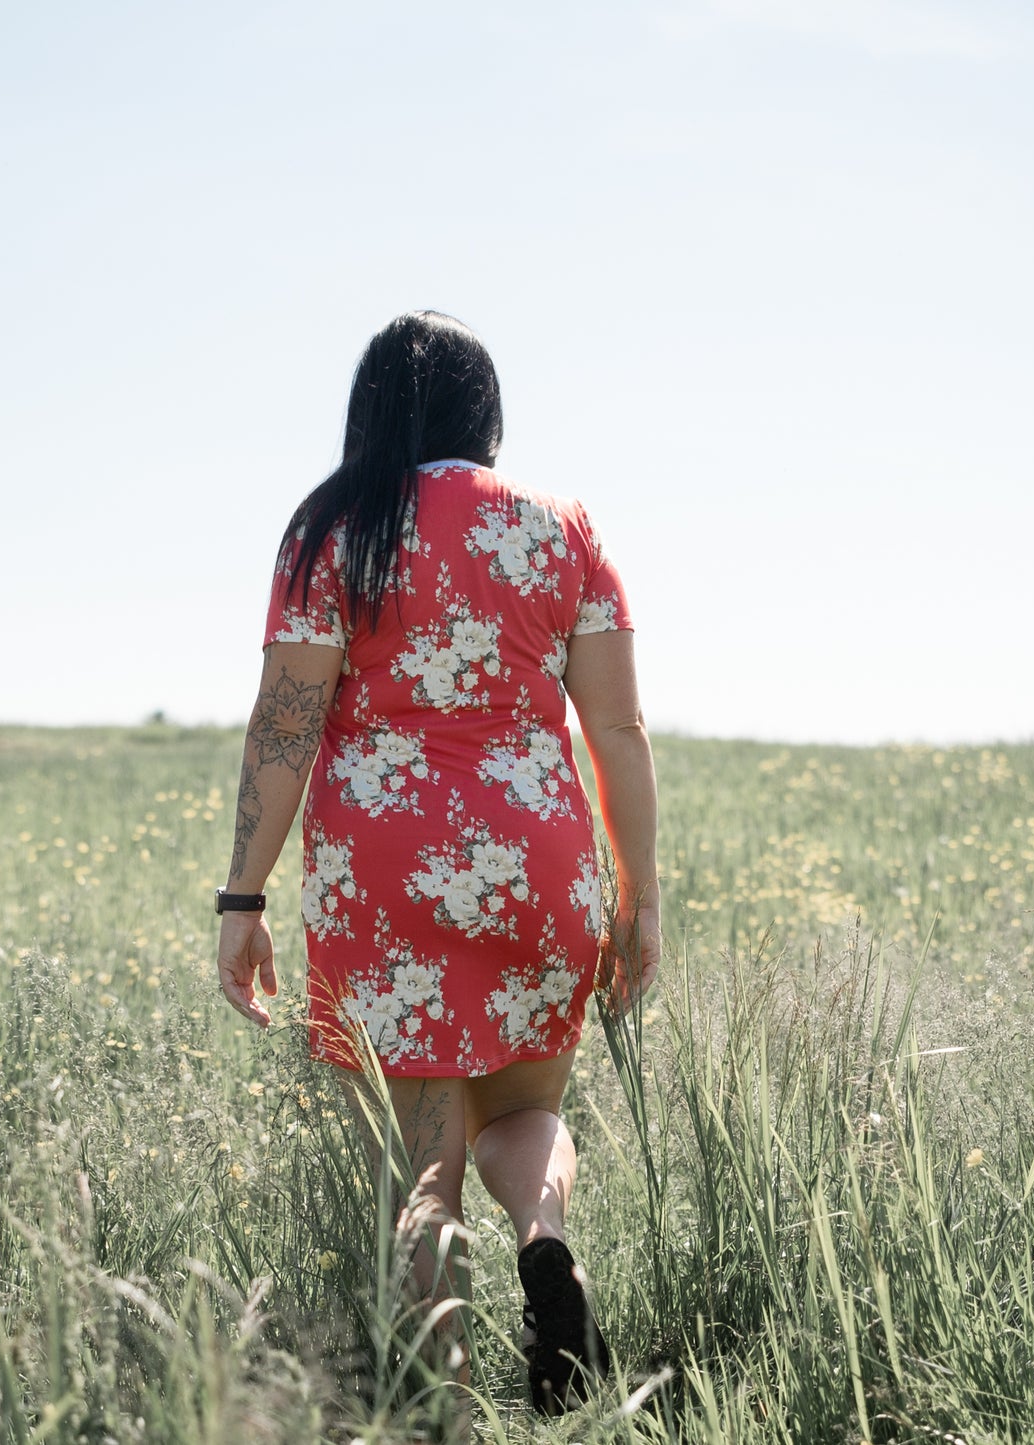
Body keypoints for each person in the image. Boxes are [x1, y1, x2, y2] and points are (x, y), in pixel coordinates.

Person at [215, 311, 659, 1417]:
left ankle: (446, 1406)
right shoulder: (562, 529)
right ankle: (544, 1238)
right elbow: (618, 732)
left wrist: (242, 893)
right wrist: (638, 897)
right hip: (536, 862)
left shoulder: (334, 529)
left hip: (387, 871)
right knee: (522, 1107)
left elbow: (284, 722)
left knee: (419, 1162)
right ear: (486, 413)